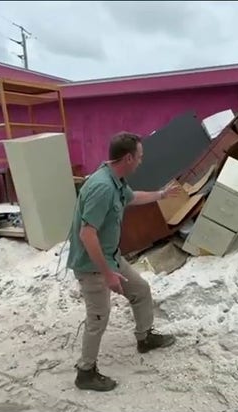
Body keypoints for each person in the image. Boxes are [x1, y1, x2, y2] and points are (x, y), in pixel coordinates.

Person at [65, 132, 184, 391]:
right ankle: (85, 372)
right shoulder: (102, 187)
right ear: (128, 158)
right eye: (139, 157)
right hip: (92, 265)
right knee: (98, 318)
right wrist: (107, 274)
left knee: (140, 290)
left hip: (110, 257)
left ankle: (145, 338)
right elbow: (87, 234)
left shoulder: (115, 180)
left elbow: (132, 198)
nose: (141, 161)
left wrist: (161, 194)